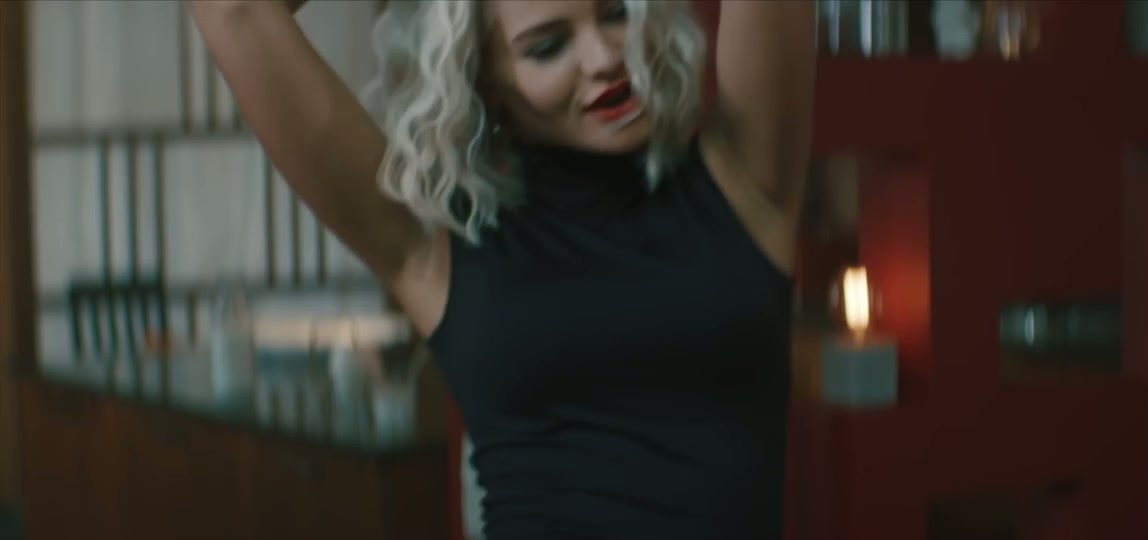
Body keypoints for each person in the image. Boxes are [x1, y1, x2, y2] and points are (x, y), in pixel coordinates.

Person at [190, 0, 814, 538]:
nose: (604, 56)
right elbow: (231, 10)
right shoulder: (435, 246)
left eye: (616, 12)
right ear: (483, 76)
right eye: (547, 46)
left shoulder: (746, 182)